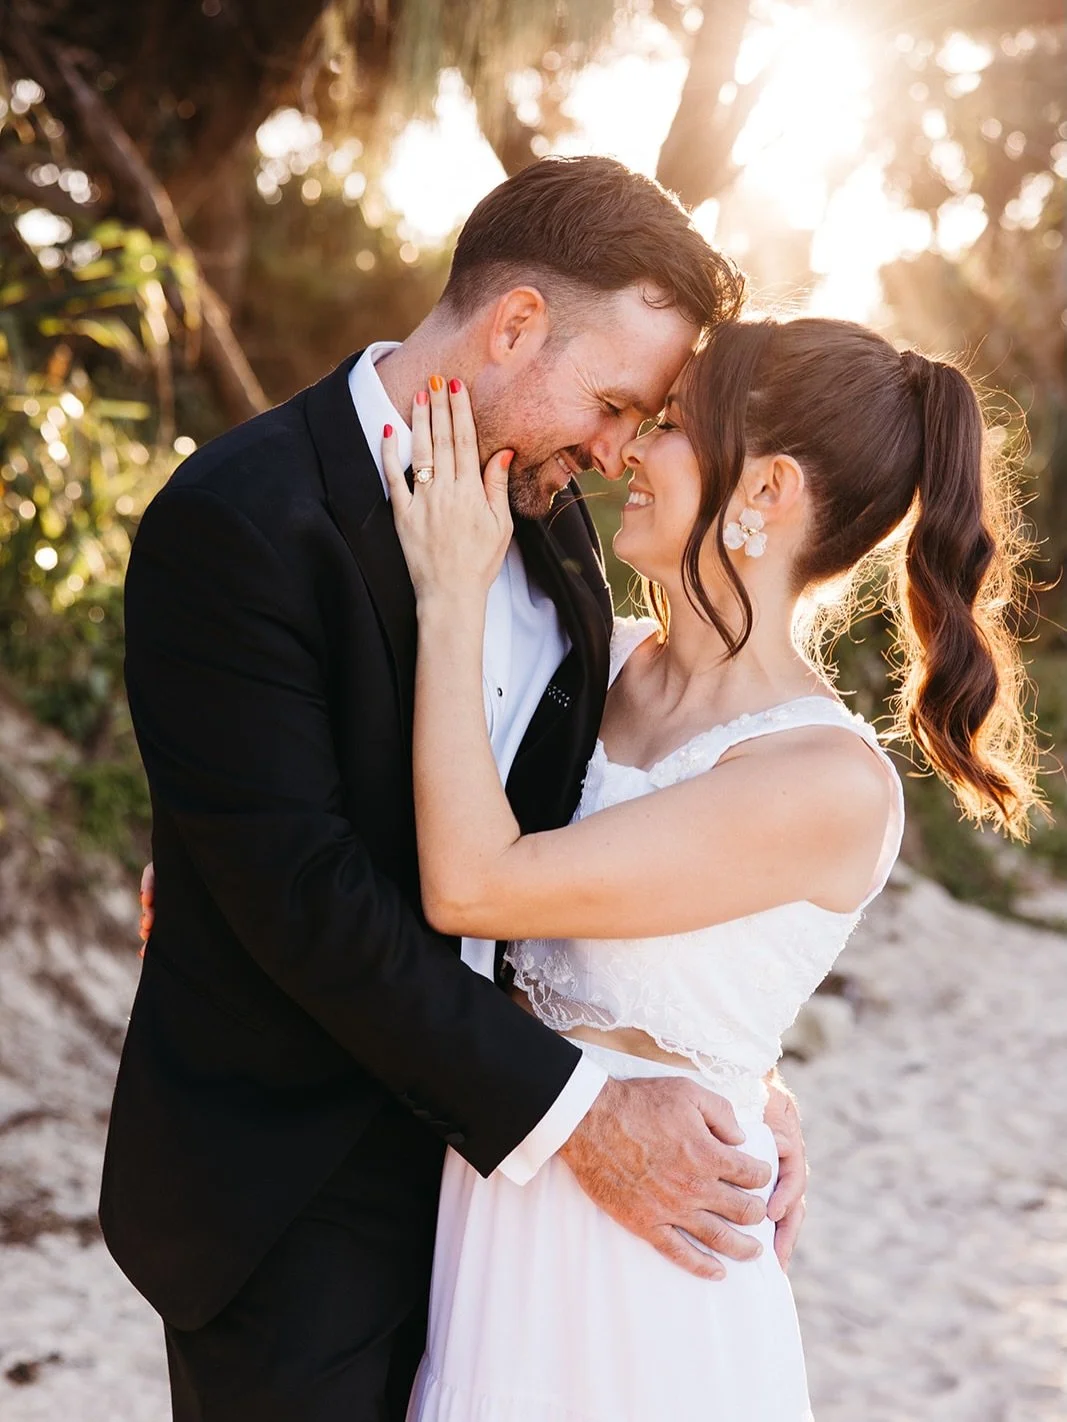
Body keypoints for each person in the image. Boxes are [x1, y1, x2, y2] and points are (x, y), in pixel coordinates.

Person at [102, 155, 810, 1422]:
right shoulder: (238, 519)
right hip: (298, 1191)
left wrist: (725, 1063)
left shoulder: (548, 510)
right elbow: (304, 901)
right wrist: (584, 1113)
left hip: (512, 1207)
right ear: (515, 325)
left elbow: (594, 828)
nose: (611, 451)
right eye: (609, 404)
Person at [380, 315, 1041, 1421]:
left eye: (673, 426)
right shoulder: (600, 658)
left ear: (765, 489)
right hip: (495, 1216)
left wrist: (449, 592)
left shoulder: (822, 780)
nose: (629, 449)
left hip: (646, 1266)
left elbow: (473, 884)